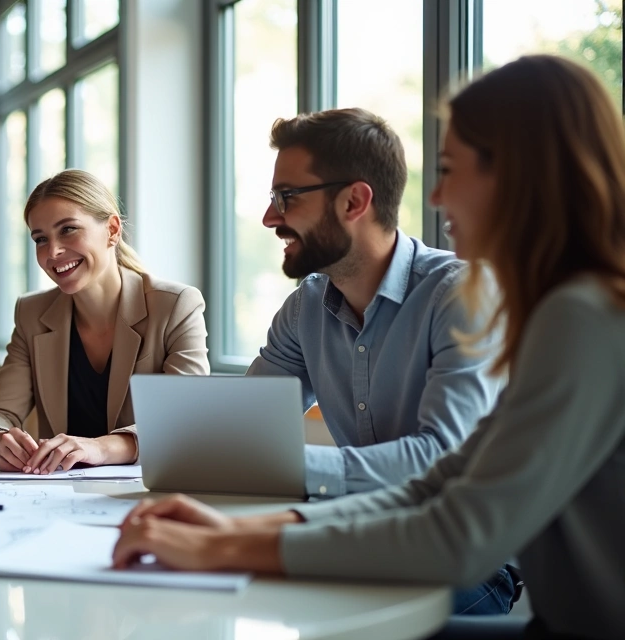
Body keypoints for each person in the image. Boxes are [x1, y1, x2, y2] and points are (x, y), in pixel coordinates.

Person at [113, 55, 625, 640]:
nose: (435, 196)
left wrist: (227, 546)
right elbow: (441, 482)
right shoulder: (565, 308)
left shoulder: (581, 317)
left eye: (451, 169)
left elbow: (456, 531)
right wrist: (233, 535)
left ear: (518, 176)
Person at [247, 108, 511, 613]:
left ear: (354, 200)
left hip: (463, 559)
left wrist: (287, 468)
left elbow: (441, 456)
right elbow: (246, 426)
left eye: (287, 197)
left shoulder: (461, 295)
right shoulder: (305, 307)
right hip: (358, 536)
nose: (270, 218)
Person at [0, 169, 209, 474]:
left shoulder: (176, 306)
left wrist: (100, 447)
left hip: (144, 494)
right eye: (40, 239)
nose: (53, 252)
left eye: (68, 229)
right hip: (57, 495)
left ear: (112, 230)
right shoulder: (32, 314)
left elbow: (187, 421)